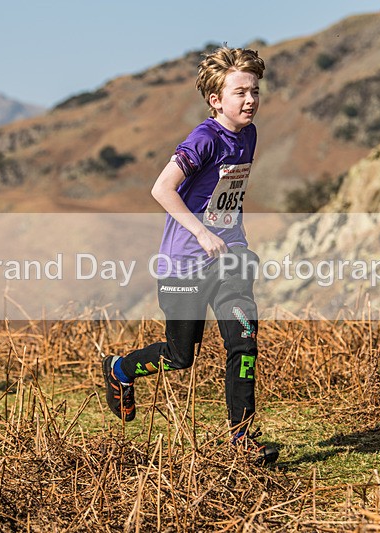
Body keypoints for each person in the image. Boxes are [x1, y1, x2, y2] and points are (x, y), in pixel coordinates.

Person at [102, 47, 278, 465]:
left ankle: (241, 439)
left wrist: (229, 236)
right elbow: (161, 189)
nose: (250, 100)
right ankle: (120, 370)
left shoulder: (249, 135)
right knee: (181, 356)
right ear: (216, 99)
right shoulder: (204, 139)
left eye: (254, 91)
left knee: (244, 341)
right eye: (240, 93)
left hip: (230, 258)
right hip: (184, 264)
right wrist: (201, 232)